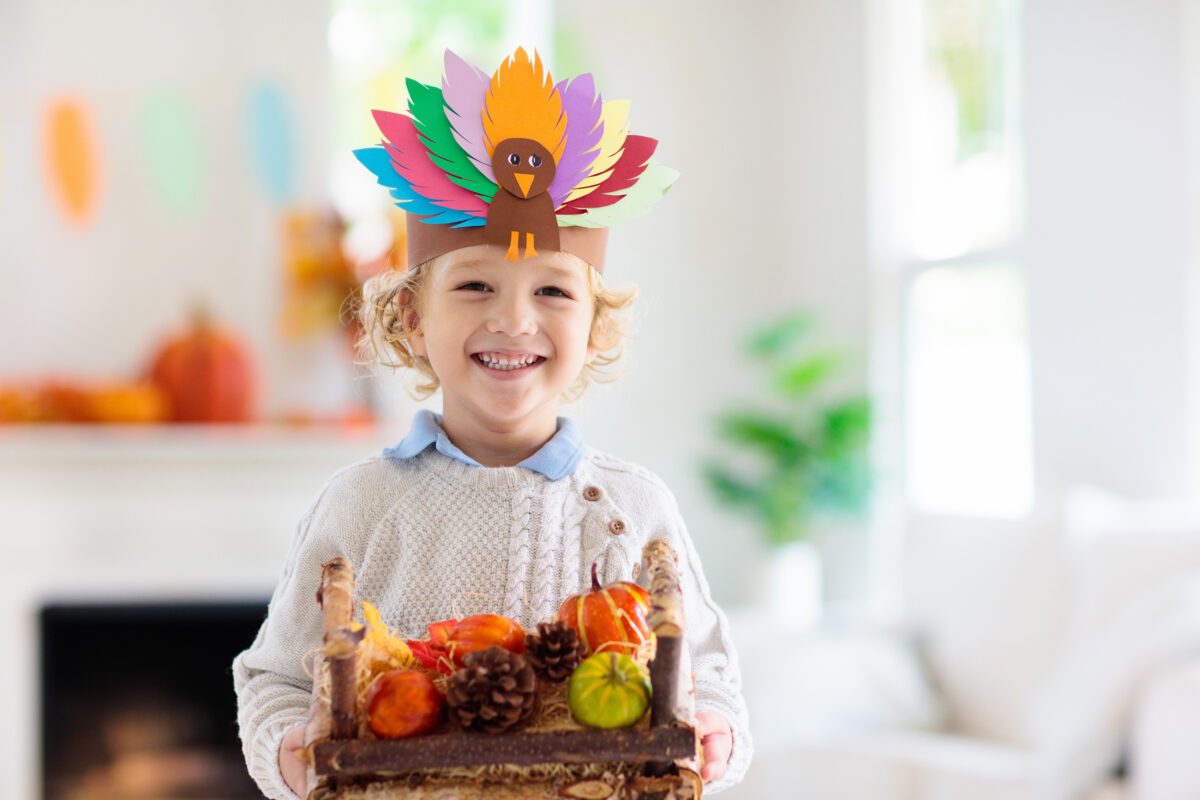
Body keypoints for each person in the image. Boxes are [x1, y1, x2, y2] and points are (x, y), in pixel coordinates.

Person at [233, 47, 751, 799]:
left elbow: (708, 672)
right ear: (411, 316)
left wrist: (716, 732)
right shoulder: (360, 505)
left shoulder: (636, 510)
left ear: (596, 325)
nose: (514, 318)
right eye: (475, 285)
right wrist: (291, 751)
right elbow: (275, 677)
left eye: (553, 292)